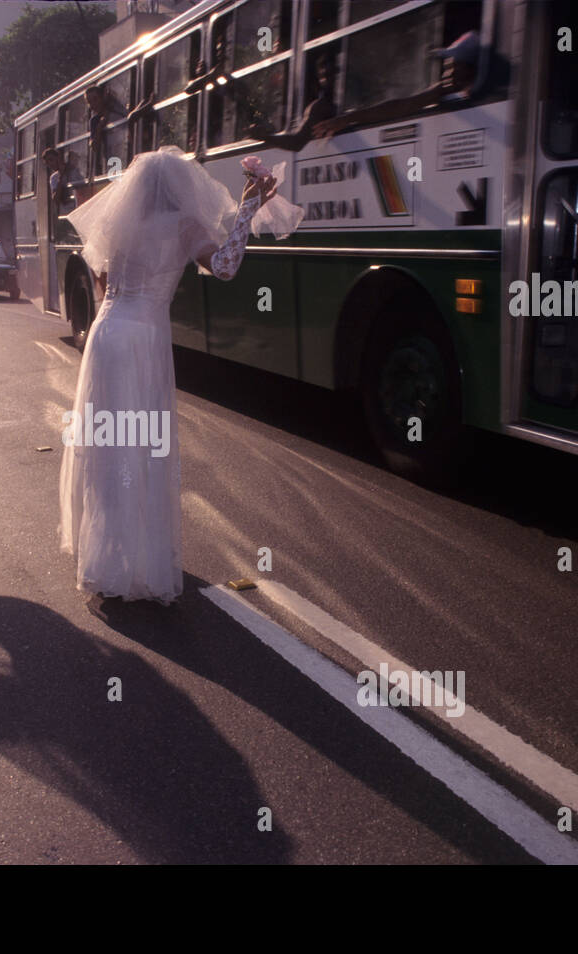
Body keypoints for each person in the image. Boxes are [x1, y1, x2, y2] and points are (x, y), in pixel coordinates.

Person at [59, 146, 277, 607]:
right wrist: (249, 210)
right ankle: (137, 561)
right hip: (141, 339)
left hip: (105, 333)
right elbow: (225, 266)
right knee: (140, 450)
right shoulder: (182, 225)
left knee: (109, 448)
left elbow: (102, 280)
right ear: (179, 190)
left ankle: (106, 556)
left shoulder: (121, 223)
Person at [313, 30, 482, 140]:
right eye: (446, 68)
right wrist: (347, 119)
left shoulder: (480, 93)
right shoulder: (442, 90)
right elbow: (401, 106)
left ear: (472, 69)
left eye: (455, 67)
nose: (447, 74)